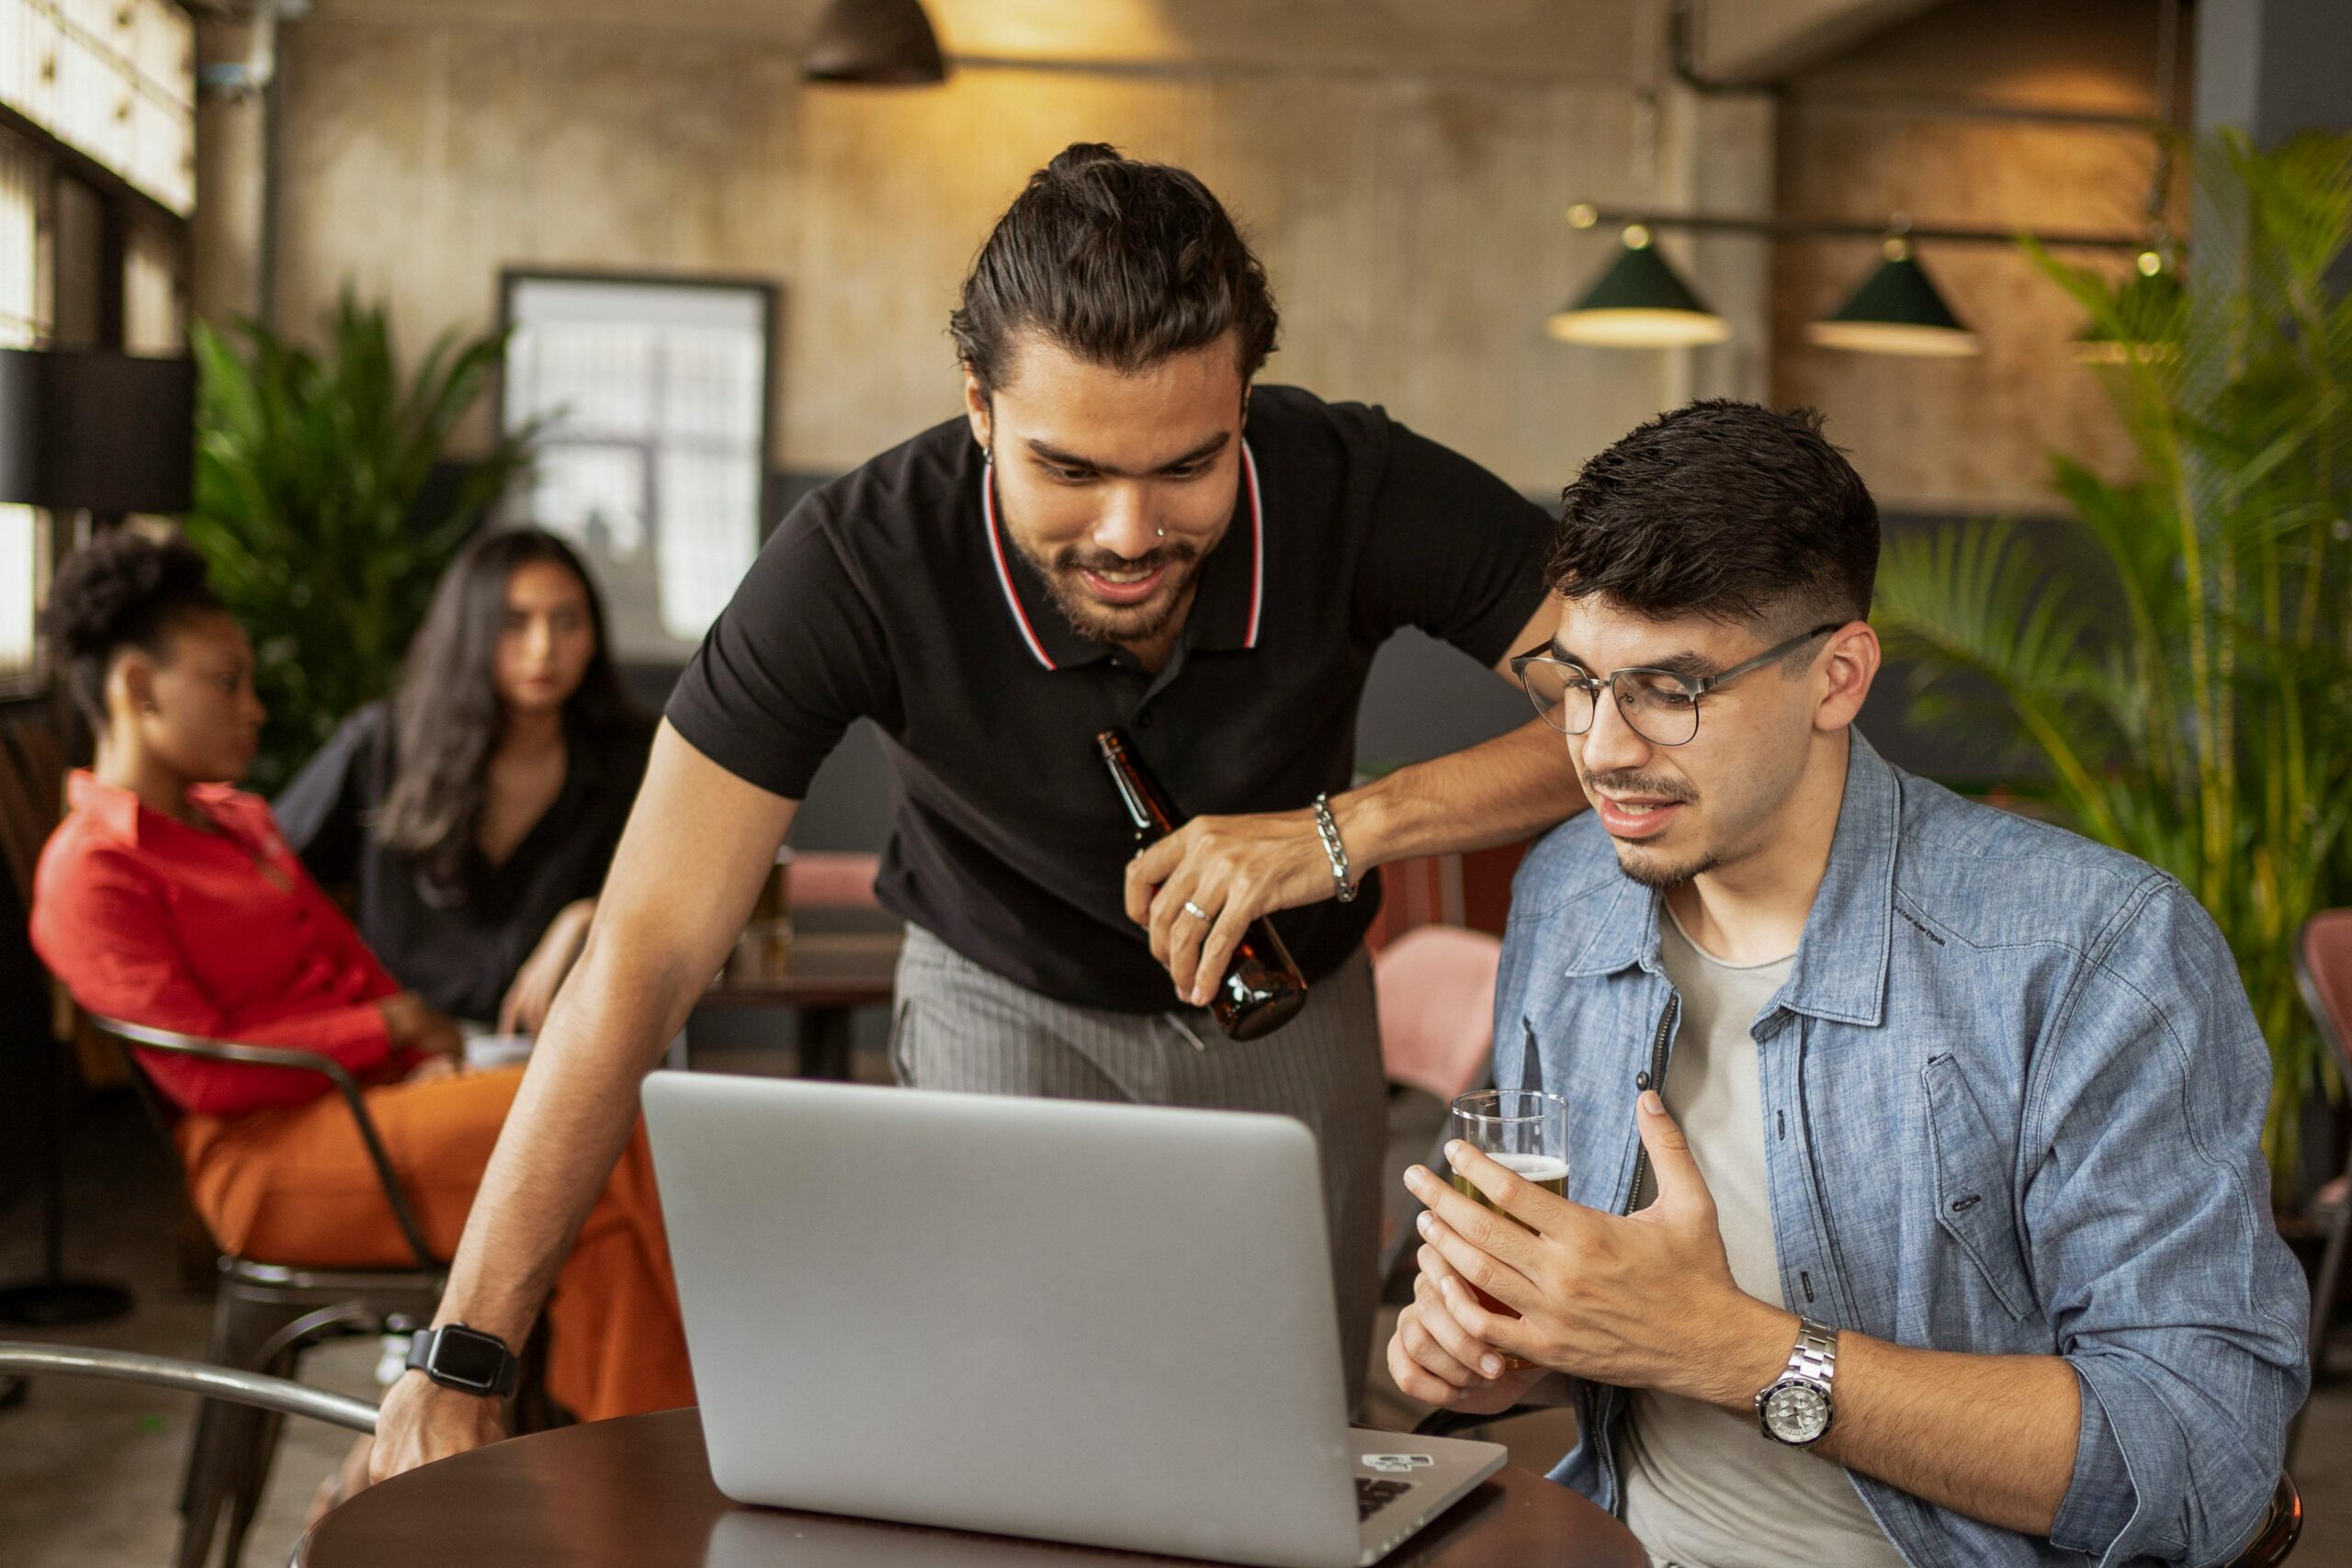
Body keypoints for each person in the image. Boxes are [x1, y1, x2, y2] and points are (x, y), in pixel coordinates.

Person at [372, 141, 1589, 1478]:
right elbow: (646, 950)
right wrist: (463, 1354)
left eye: (1188, 466)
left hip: (1287, 1007)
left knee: (1279, 1447)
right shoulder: (852, 564)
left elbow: (1635, 708)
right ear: (979, 408)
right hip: (998, 991)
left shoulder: (1348, 481)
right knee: (1009, 1451)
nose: (1128, 532)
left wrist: (1345, 829)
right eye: (1069, 470)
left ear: (1244, 401)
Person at [1385, 400, 2308, 1567]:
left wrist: (1729, 1350)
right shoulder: (1570, 889)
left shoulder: (2093, 952)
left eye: (1670, 689)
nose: (1601, 748)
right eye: (1574, 680)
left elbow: (2201, 1461)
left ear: (1837, 676)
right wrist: (1496, 1350)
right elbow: (1592, 1328)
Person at [28, 529, 694, 1466]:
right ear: (139, 688)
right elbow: (205, 1075)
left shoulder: (239, 822)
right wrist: (388, 1028)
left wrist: (420, 1057)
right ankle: (676, 1457)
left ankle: (615, 1481)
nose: (254, 708)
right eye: (228, 682)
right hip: (262, 1162)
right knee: (600, 1115)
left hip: (368, 1113)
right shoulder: (93, 868)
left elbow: (348, 960)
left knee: (599, 1208)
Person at [275, 528, 653, 1032]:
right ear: (470, 632)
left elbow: (697, 900)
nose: (543, 647)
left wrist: (590, 916)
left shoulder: (632, 758)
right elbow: (270, 883)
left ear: (594, 638)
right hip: (404, 1049)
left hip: (561, 1051)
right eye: (513, 623)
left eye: (567, 621)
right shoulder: (383, 746)